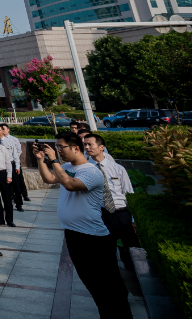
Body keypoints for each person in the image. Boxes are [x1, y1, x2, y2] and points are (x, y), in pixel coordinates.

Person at [37, 133, 131, 318]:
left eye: (61, 147)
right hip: (73, 233)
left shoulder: (91, 172)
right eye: (56, 147)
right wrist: (41, 160)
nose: (58, 151)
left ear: (75, 148)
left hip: (93, 237)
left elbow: (70, 185)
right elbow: (49, 179)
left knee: (106, 285)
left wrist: (54, 160)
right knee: (92, 283)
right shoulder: (66, 167)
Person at [84, 134, 140, 272]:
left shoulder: (117, 168)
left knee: (132, 247)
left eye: (90, 144)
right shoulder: (86, 170)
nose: (87, 147)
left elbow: (129, 192)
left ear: (101, 147)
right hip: (102, 214)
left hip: (122, 214)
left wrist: (133, 219)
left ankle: (137, 270)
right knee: (106, 249)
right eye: (85, 144)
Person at [0, 123, 26, 212]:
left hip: (11, 164)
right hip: (1, 166)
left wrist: (17, 166)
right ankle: (7, 205)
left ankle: (19, 204)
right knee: (5, 187)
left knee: (16, 185)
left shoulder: (10, 141)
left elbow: (16, 154)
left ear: (3, 131)